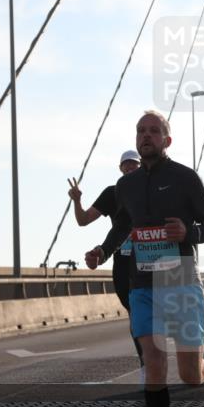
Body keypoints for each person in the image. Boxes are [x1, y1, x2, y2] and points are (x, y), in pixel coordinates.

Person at [84, 110, 204, 407]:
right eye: (141, 131)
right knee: (153, 364)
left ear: (167, 140)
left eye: (154, 131)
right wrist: (102, 251)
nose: (146, 136)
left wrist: (189, 233)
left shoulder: (184, 177)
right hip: (142, 285)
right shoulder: (126, 186)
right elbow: (123, 226)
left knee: (189, 375)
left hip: (179, 279)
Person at [68, 150, 144, 369]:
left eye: (134, 164)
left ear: (141, 166)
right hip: (122, 260)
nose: (130, 167)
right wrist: (77, 200)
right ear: (120, 169)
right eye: (126, 164)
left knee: (151, 312)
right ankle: (146, 363)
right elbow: (83, 220)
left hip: (150, 258)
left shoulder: (150, 190)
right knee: (134, 314)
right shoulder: (112, 193)